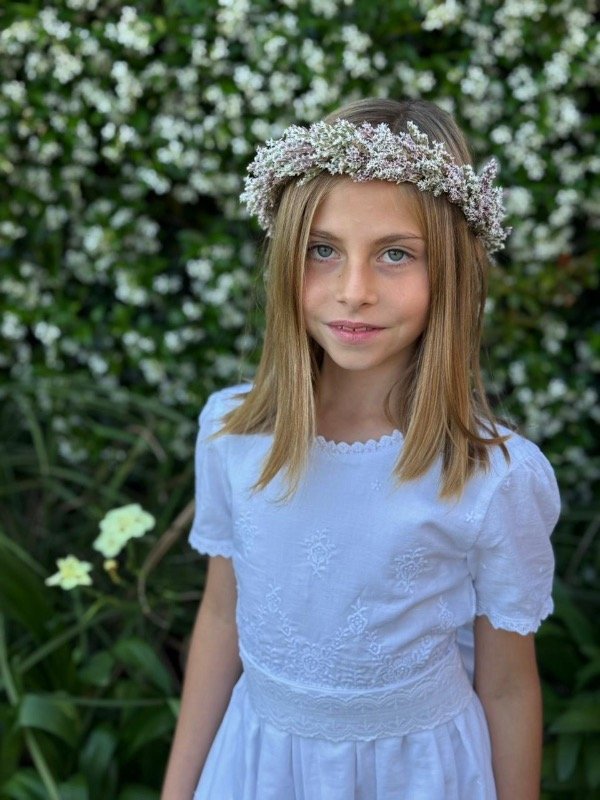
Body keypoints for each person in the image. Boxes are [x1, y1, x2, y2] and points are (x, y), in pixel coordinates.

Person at [161, 97, 560, 800]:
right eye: (323, 250)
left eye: (396, 254)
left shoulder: (492, 476)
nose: (354, 292)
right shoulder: (233, 435)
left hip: (422, 777)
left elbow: (506, 687)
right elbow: (222, 616)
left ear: (452, 272)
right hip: (259, 770)